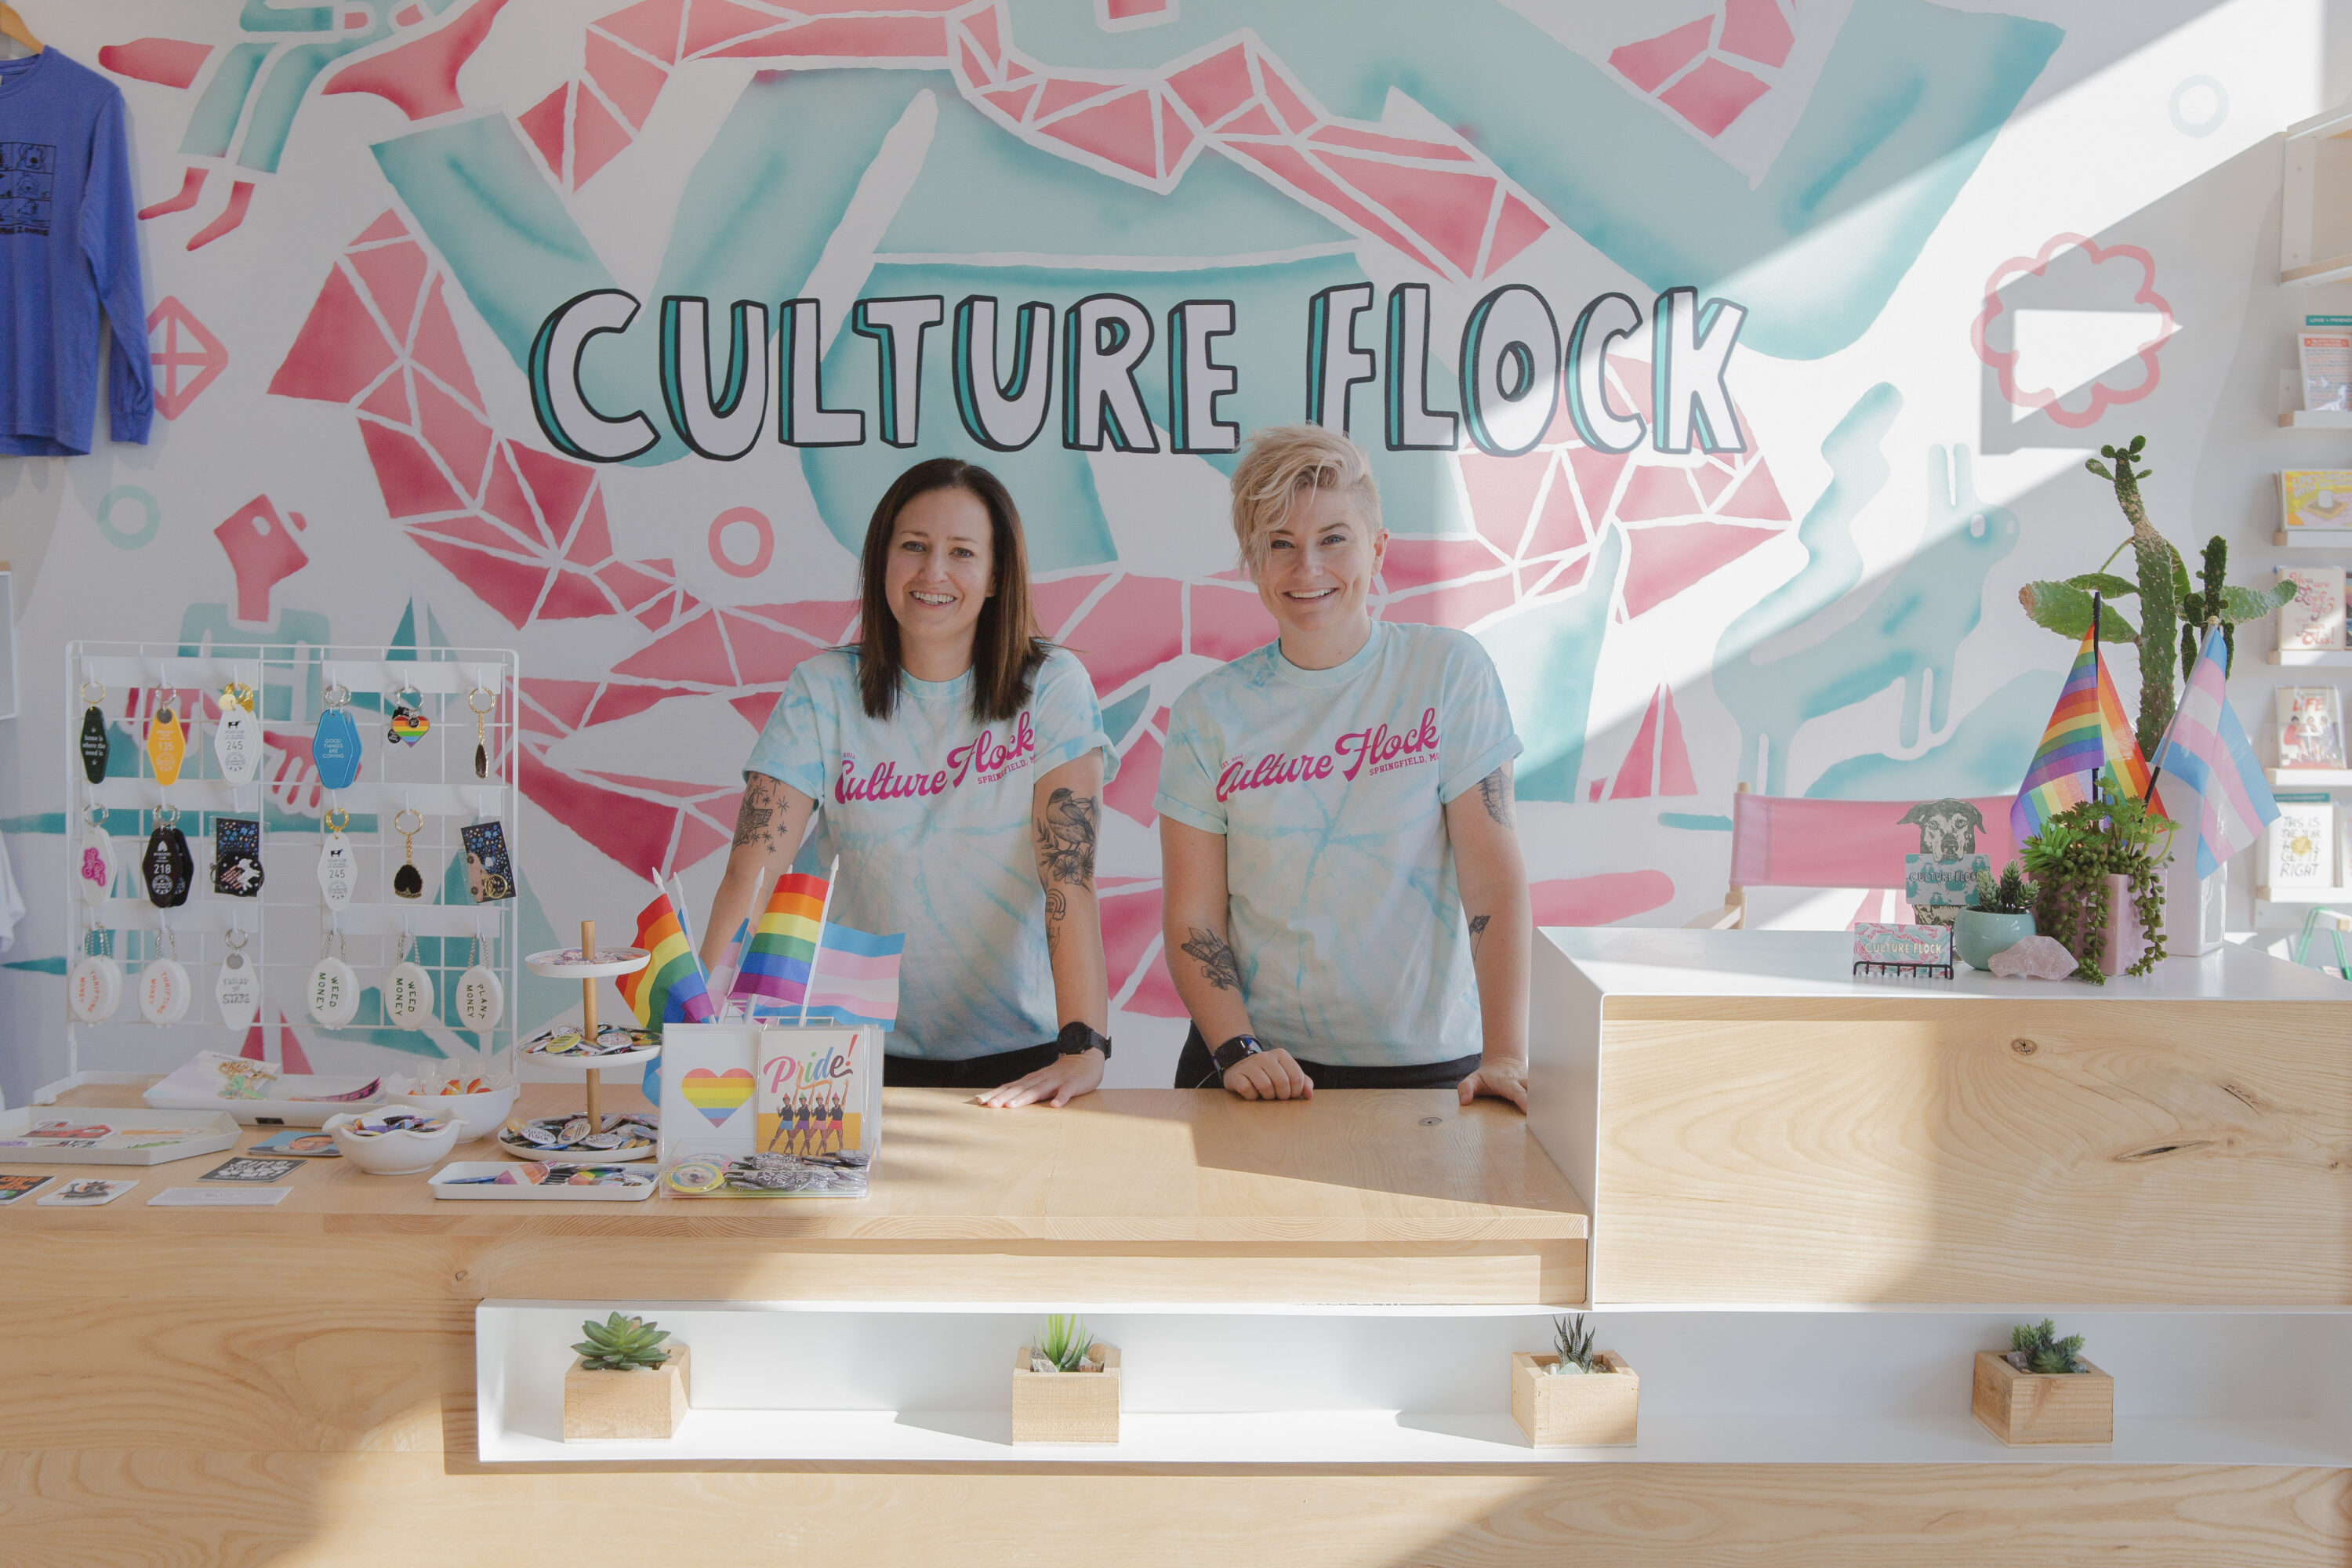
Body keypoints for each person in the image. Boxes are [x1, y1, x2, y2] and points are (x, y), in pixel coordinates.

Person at [703, 457, 1116, 1108]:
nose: (934, 573)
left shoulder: (1053, 688)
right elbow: (752, 873)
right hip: (841, 1055)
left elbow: (1071, 876)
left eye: (961, 552)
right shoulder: (824, 690)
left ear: (995, 575)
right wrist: (706, 1033)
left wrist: (1084, 1047)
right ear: (881, 561)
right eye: (914, 547)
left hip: (1020, 1058)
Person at [1155, 425, 1530, 1109]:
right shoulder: (1208, 713)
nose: (1308, 569)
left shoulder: (1448, 673)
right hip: (1255, 1067)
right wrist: (1237, 1047)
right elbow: (1194, 916)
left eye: (1333, 539)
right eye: (1280, 544)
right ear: (1253, 561)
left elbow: (1493, 881)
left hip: (1434, 1070)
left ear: (1378, 548)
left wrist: (1507, 1054)